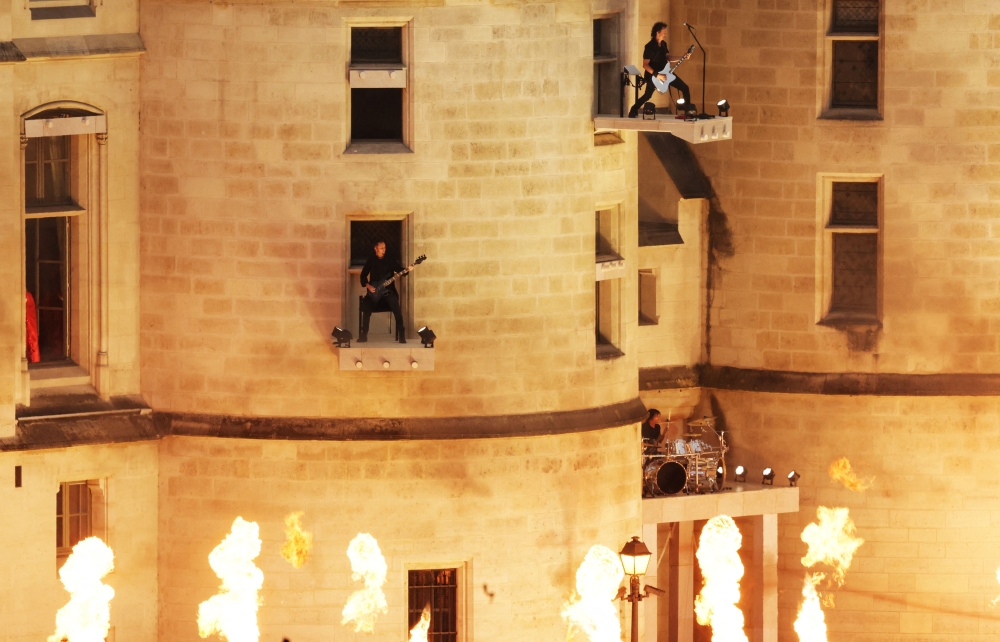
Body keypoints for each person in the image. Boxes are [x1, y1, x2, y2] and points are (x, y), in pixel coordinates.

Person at [628, 22, 692, 118]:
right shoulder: (649, 47)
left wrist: (682, 57)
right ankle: (633, 109)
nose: (666, 34)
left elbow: (668, 57)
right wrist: (657, 75)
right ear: (657, 33)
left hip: (666, 73)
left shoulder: (663, 44)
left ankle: (688, 113)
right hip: (654, 75)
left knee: (685, 88)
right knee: (647, 95)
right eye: (664, 32)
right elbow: (645, 65)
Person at [359, 240, 407, 343]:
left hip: (388, 291)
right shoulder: (371, 260)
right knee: (366, 308)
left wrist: (407, 270)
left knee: (397, 311)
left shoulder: (390, 259)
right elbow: (363, 275)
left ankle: (402, 335)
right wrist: (368, 286)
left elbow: (399, 269)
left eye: (384, 248)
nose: (384, 250)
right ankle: (363, 336)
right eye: (381, 248)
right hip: (374, 292)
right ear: (375, 249)